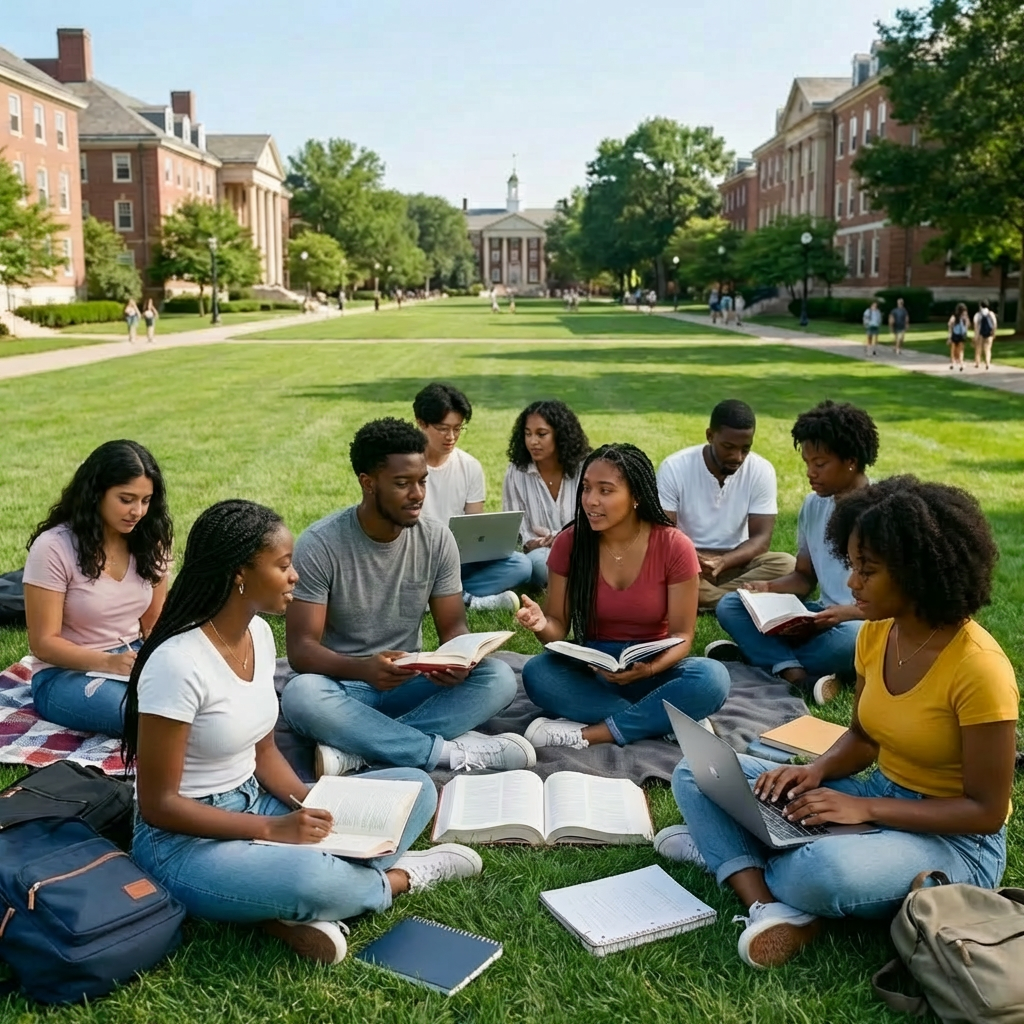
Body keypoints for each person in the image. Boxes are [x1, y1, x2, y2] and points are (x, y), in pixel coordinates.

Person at [662, 477, 1017, 970]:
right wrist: (817, 772)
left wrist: (863, 807)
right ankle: (765, 903)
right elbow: (863, 737)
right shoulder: (876, 635)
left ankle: (730, 854)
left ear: (918, 572)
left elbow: (985, 811)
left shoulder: (979, 669)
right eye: (853, 566)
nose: (852, 584)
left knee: (821, 871)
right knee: (694, 772)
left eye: (867, 571)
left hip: (957, 842)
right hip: (881, 797)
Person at [127, 500, 483, 966]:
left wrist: (308, 803)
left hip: (259, 800)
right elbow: (159, 806)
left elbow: (263, 747)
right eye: (282, 565)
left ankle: (287, 905)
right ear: (240, 574)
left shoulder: (257, 633)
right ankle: (395, 878)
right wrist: (271, 829)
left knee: (416, 788)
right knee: (311, 880)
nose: (295, 575)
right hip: (182, 843)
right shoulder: (176, 664)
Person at [281, 418, 531, 779]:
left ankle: (359, 750)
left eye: (422, 481)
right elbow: (302, 650)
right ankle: (441, 751)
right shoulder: (321, 544)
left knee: (500, 679)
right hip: (345, 683)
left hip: (411, 679)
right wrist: (364, 667)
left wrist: (457, 660)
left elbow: (452, 624)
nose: (417, 494)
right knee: (301, 695)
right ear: (368, 483)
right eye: (402, 484)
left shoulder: (437, 539)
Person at [516, 443, 731, 751]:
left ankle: (595, 732)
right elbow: (558, 628)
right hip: (594, 669)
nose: (591, 500)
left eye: (606, 491)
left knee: (713, 677)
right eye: (587, 488)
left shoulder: (674, 546)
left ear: (636, 497)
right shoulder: (569, 543)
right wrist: (540, 624)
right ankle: (666, 722)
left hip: (654, 667)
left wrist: (651, 669)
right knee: (538, 673)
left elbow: (683, 636)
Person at [712, 400, 877, 705]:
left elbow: (902, 602)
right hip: (820, 615)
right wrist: (766, 589)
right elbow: (803, 577)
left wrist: (846, 613)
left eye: (820, 464)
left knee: (853, 640)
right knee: (730, 604)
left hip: (864, 621)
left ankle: (768, 661)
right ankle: (796, 671)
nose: (810, 473)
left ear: (851, 460)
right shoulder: (814, 506)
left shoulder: (885, 509)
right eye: (807, 463)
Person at [23, 440, 172, 736]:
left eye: (145, 500)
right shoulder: (54, 547)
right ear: (96, 494)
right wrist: (109, 662)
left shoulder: (150, 540)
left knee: (197, 698)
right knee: (150, 717)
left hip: (133, 657)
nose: (137, 511)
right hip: (65, 674)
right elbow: (43, 643)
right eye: (126, 499)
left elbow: (154, 624)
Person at [657, 400, 795, 612]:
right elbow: (665, 535)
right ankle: (742, 601)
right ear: (710, 436)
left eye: (745, 449)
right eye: (728, 447)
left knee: (788, 566)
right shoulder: (675, 467)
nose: (737, 457)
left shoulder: (761, 470)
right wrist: (696, 560)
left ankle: (705, 599)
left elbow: (761, 539)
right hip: (688, 561)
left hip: (736, 561)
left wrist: (724, 561)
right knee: (658, 575)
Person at [414, 383, 531, 612]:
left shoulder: (470, 466)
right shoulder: (405, 465)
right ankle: (466, 599)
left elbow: (475, 528)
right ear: (421, 423)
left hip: (457, 562)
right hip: (417, 560)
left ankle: (438, 597)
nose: (451, 437)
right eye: (443, 428)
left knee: (521, 565)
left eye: (458, 428)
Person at [502, 400, 591, 588]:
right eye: (528, 434)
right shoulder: (517, 471)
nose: (533, 441)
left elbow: (593, 520)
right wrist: (531, 543)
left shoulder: (585, 468)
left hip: (581, 548)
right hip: (539, 553)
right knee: (539, 563)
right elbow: (514, 526)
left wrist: (560, 538)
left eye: (541, 434)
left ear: (560, 435)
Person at [973, 300, 997, 370]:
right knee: (988, 349)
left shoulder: (978, 314)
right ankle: (987, 364)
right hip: (989, 334)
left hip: (980, 333)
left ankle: (977, 363)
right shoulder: (991, 314)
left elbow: (976, 325)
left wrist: (975, 336)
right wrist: (993, 332)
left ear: (980, 306)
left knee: (978, 349)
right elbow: (994, 324)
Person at [948, 302, 970, 371]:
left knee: (953, 350)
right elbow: (968, 325)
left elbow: (950, 325)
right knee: (961, 350)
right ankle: (961, 364)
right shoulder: (964, 317)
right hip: (961, 335)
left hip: (954, 335)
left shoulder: (954, 316)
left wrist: (949, 336)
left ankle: (952, 363)